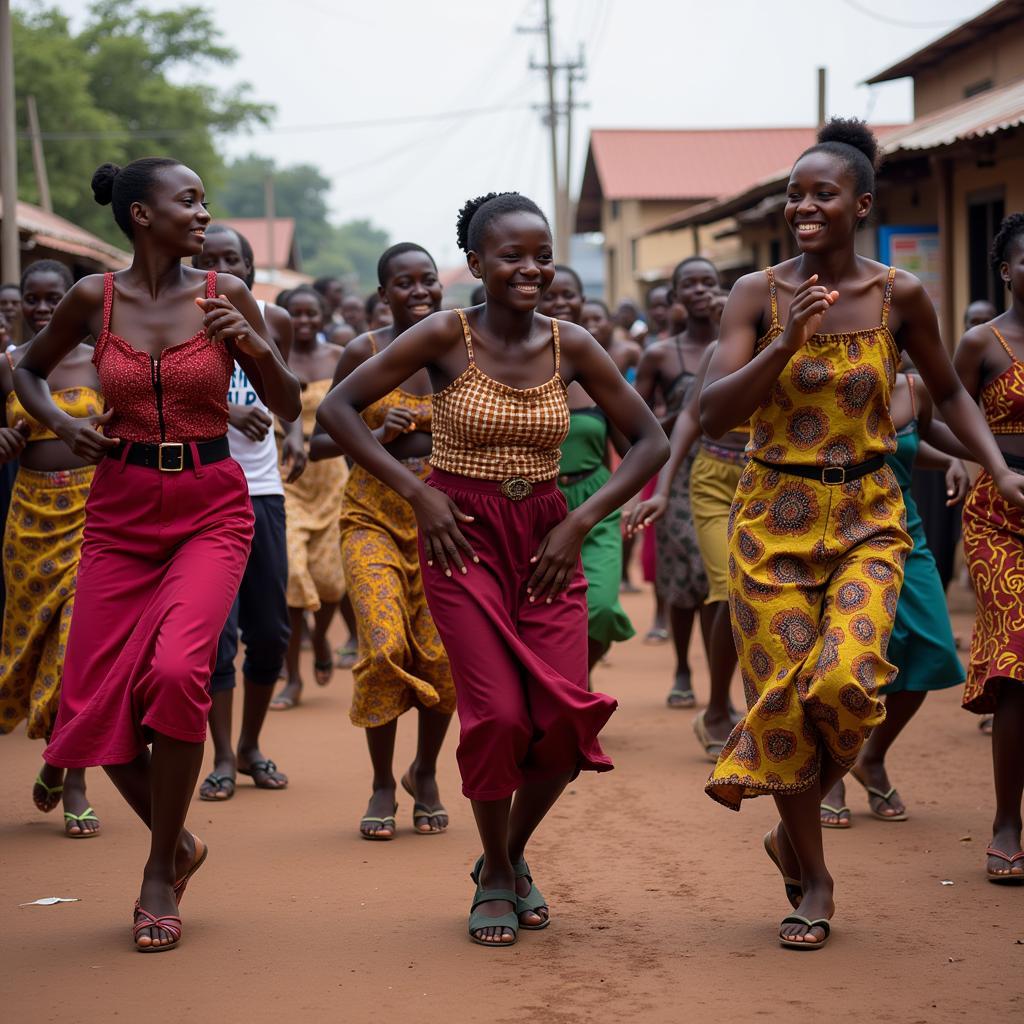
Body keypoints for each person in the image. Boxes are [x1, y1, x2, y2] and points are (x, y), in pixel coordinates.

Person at [699, 120, 1024, 950]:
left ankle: (794, 827)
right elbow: (713, 414)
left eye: (822, 194)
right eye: (794, 195)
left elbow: (950, 395)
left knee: (845, 683)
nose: (803, 206)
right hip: (770, 520)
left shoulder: (900, 295)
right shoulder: (755, 295)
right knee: (780, 700)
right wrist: (786, 343)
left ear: (863, 204)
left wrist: (996, 464)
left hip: (869, 519)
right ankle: (812, 875)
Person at [317, 191, 668, 947]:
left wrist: (581, 518)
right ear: (476, 265)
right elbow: (339, 410)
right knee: (500, 718)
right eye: (512, 255)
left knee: (566, 721)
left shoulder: (571, 343)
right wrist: (418, 495)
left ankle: (501, 858)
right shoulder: (447, 334)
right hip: (460, 538)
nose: (531, 268)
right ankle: (502, 877)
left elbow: (649, 441)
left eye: (541, 254)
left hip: (547, 539)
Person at [13, 158, 300, 951]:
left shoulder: (225, 296)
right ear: (141, 214)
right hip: (118, 511)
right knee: (86, 708)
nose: (204, 214)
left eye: (204, 201)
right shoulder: (91, 299)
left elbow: (284, 404)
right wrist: (65, 425)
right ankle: (182, 844)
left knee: (177, 674)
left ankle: (156, 874)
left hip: (212, 507)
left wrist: (256, 348)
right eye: (189, 201)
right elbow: (27, 372)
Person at [310, 242, 455, 840]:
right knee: (383, 643)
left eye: (427, 281)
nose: (419, 291)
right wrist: (373, 428)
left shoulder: (461, 353)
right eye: (404, 283)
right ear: (383, 294)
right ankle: (379, 782)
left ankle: (424, 771)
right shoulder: (362, 353)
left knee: (443, 657)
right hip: (371, 519)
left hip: (448, 525)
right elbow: (320, 441)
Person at [819, 370, 968, 827]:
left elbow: (919, 436)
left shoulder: (913, 385)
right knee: (837, 659)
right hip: (833, 529)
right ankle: (831, 774)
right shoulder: (826, 376)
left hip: (903, 528)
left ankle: (871, 755)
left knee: (932, 648)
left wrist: (958, 458)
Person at [191, 224, 305, 800]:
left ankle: (253, 744)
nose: (224, 270)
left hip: (263, 489)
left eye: (232, 260)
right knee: (218, 636)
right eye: (211, 260)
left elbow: (286, 388)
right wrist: (228, 415)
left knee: (270, 630)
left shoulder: (270, 317)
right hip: (207, 489)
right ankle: (222, 757)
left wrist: (298, 434)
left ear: (252, 266)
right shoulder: (178, 313)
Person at [0, 260, 104, 838]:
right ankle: (56, 757)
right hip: (30, 521)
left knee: (78, 650)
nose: (42, 308)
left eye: (54, 298)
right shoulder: (10, 367)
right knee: (31, 646)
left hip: (94, 514)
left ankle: (73, 778)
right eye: (34, 299)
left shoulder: (100, 362)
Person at [629, 274, 743, 761]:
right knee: (721, 585)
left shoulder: (793, 342)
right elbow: (688, 418)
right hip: (708, 473)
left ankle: (751, 702)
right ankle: (713, 702)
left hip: (770, 477)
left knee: (755, 593)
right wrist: (661, 485)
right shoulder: (711, 351)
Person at [953, 212, 1024, 882]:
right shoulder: (984, 342)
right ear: (1004, 270)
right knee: (1015, 663)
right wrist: (976, 462)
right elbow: (939, 411)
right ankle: (1008, 822)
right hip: (1001, 518)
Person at [539, 266, 635, 678]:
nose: (560, 303)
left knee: (600, 609)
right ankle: (559, 692)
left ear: (583, 300)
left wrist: (631, 499)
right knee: (540, 611)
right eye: (551, 295)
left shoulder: (599, 368)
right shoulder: (511, 367)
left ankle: (578, 679)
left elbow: (633, 446)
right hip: (537, 503)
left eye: (570, 294)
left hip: (595, 503)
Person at [634, 258, 717, 706]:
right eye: (691, 284)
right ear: (675, 297)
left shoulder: (744, 345)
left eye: (710, 282)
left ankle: (721, 685)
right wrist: (684, 414)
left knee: (721, 580)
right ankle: (683, 668)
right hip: (679, 470)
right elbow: (636, 422)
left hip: (739, 468)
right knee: (686, 576)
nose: (701, 290)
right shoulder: (660, 355)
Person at [270, 286, 346, 711]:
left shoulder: (339, 357)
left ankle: (320, 640)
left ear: (322, 315)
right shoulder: (271, 355)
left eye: (310, 313)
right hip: (287, 474)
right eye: (294, 314)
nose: (302, 321)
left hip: (331, 473)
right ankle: (292, 679)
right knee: (294, 572)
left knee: (332, 579)